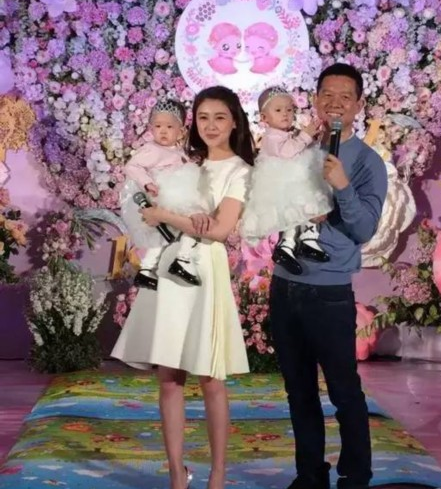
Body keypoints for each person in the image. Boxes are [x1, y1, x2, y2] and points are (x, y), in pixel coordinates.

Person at [112, 86, 255, 489]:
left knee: (210, 377)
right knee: (169, 377)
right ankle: (177, 473)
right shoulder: (181, 160)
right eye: (203, 117)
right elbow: (146, 200)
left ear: (234, 121)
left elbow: (220, 230)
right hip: (168, 266)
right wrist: (160, 213)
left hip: (204, 270)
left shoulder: (240, 171)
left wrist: (166, 215)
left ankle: (217, 475)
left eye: (220, 117)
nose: (211, 125)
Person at [269, 63, 388, 489]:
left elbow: (363, 229)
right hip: (284, 286)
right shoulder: (298, 150)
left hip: (329, 292)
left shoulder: (368, 163)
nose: (335, 104)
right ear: (316, 100)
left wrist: (341, 186)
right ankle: (310, 475)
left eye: (345, 97)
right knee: (298, 390)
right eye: (327, 95)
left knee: (343, 391)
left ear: (358, 104)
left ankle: (355, 477)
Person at [240, 86, 333, 275]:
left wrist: (311, 137)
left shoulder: (291, 133)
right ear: (264, 118)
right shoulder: (271, 136)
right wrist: (305, 136)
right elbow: (287, 151)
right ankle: (287, 245)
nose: (285, 114)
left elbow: (299, 147)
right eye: (278, 110)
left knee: (309, 205)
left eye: (289, 110)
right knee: (292, 214)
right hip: (282, 185)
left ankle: (308, 239)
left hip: (297, 181)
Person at [120, 99, 205, 290]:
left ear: (181, 131)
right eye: (158, 126)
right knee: (188, 221)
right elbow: (132, 166)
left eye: (169, 127)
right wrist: (147, 182)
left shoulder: (177, 150)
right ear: (151, 128)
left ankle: (151, 269)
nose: (163, 131)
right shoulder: (152, 149)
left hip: (174, 193)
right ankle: (179, 261)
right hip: (163, 194)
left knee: (174, 231)